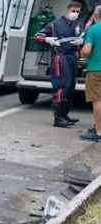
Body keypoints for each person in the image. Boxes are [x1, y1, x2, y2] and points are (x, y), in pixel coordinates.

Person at [34, 1, 86, 128]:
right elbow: (37, 36)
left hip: (72, 58)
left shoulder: (77, 24)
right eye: (73, 11)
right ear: (67, 10)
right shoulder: (55, 24)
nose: (75, 14)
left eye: (78, 11)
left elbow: (83, 37)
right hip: (60, 58)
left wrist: (81, 41)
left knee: (71, 87)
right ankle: (58, 118)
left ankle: (65, 114)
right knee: (62, 86)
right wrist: (48, 39)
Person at [80, 4, 101, 141]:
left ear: (95, 15)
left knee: (98, 100)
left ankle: (98, 131)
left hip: (96, 70)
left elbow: (86, 51)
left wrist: (82, 51)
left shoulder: (93, 30)